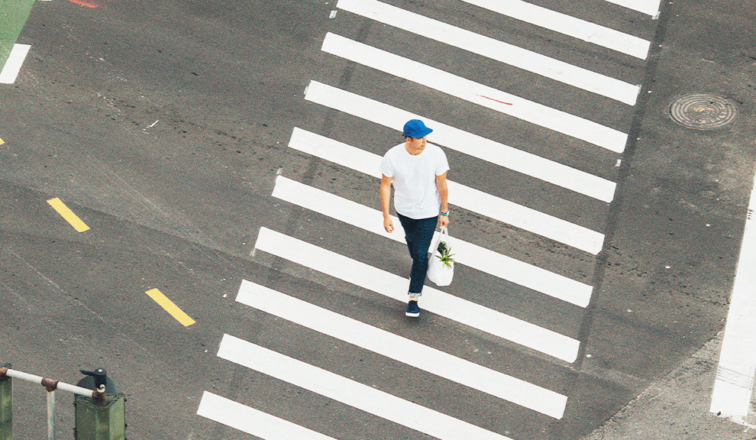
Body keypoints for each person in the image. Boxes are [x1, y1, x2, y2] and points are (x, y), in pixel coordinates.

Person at [380, 119, 450, 318]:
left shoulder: (436, 154)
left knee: (420, 255)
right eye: (419, 137)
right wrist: (386, 216)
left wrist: (444, 212)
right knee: (412, 243)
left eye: (425, 136)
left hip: (428, 212)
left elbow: (442, 184)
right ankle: (417, 268)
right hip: (404, 210)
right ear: (408, 138)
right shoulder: (393, 156)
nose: (424, 141)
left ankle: (413, 298)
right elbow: (385, 185)